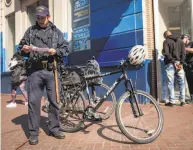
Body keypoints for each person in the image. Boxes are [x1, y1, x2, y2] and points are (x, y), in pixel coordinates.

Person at [16, 6, 69, 145]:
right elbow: (20, 49)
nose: (39, 20)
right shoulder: (31, 32)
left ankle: (54, 128)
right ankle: (33, 133)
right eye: (37, 17)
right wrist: (24, 49)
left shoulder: (57, 32)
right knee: (33, 103)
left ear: (48, 17)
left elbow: (65, 49)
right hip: (35, 72)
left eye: (42, 17)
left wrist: (56, 51)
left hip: (52, 70)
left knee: (54, 102)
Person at [162, 30, 186, 107]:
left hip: (170, 64)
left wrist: (173, 62)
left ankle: (172, 102)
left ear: (166, 36)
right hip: (179, 64)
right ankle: (183, 101)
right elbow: (183, 53)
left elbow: (166, 53)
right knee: (181, 82)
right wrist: (181, 63)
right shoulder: (181, 41)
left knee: (170, 83)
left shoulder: (166, 41)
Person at [181, 34, 193, 102]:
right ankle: (192, 98)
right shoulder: (183, 45)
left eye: (183, 38)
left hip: (192, 65)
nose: (182, 39)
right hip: (186, 66)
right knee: (189, 82)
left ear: (187, 38)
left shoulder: (192, 43)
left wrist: (185, 49)